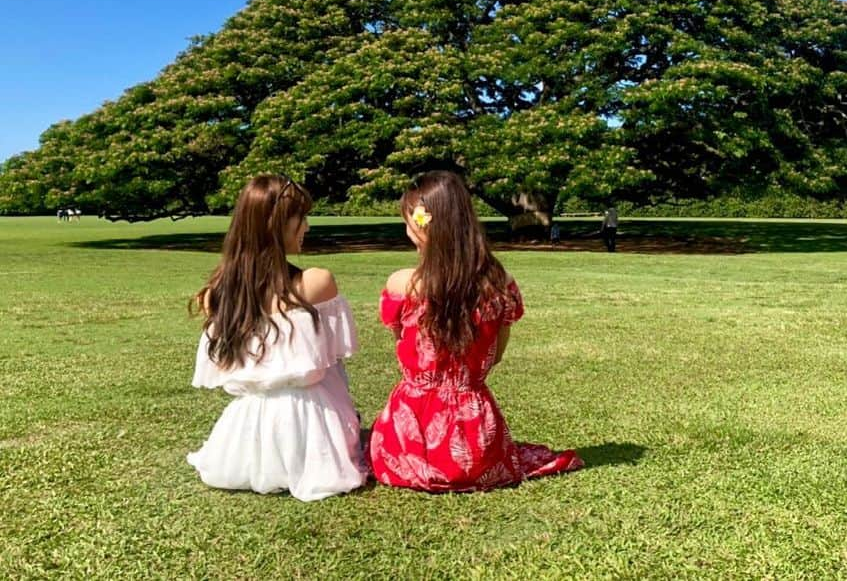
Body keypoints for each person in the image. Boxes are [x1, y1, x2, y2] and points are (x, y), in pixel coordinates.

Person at [369, 171, 583, 492]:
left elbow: (402, 345)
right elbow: (495, 356)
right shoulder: (500, 283)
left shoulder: (402, 284)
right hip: (478, 439)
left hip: (411, 435)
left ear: (419, 226)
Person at [186, 174, 367, 501]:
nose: (308, 227)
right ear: (277, 224)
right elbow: (334, 363)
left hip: (242, 436)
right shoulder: (315, 282)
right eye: (301, 218)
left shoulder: (219, 295)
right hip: (314, 425)